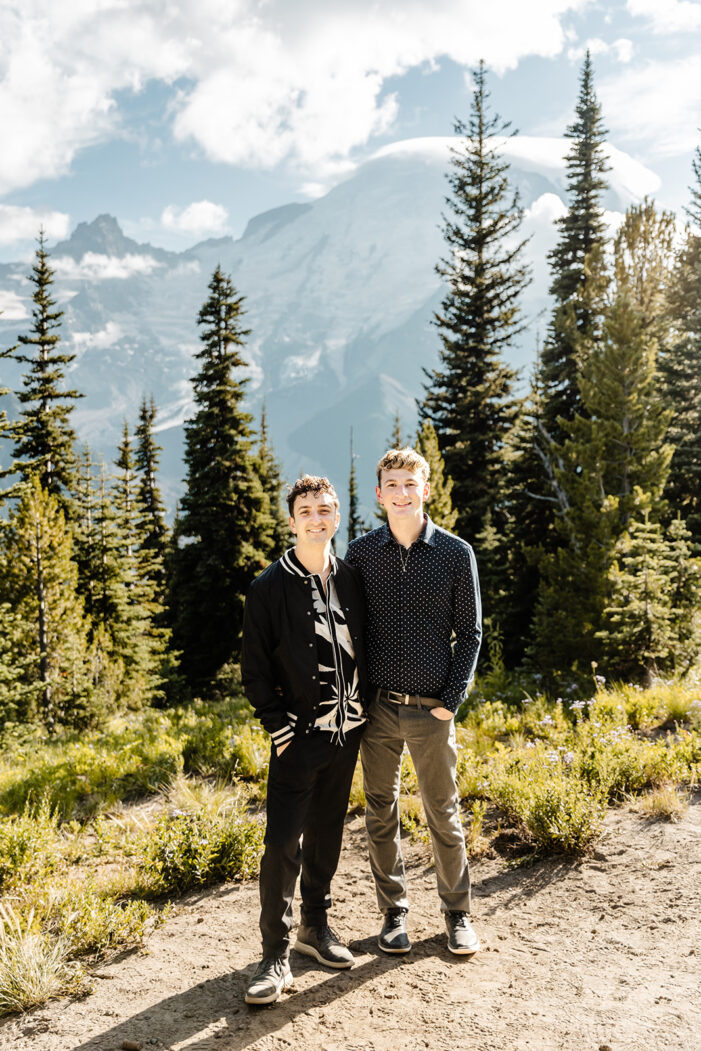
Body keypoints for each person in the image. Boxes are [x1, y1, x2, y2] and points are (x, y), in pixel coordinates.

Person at [346, 446, 482, 956]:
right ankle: (393, 912)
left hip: (432, 709)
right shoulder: (360, 554)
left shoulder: (454, 553)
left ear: (426, 490)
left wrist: (450, 700)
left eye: (411, 484)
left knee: (442, 812)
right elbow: (349, 629)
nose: (402, 494)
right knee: (380, 811)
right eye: (393, 485)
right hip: (377, 708)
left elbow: (469, 634)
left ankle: (457, 912)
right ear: (379, 494)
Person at [241, 475, 367, 1005]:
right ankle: (275, 952)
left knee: (327, 833)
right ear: (292, 521)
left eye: (325, 509)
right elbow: (253, 668)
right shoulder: (270, 586)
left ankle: (316, 926)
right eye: (306, 511)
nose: (317, 518)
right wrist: (278, 724)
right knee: (281, 844)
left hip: (348, 731)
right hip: (298, 737)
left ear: (337, 517)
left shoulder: (351, 578)